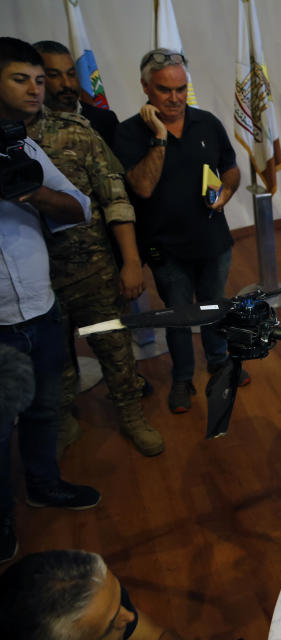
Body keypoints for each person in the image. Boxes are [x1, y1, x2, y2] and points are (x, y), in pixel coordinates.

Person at [23, 48, 161, 458]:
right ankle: (64, 416)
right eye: (52, 76)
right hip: (31, 278)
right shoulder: (9, 141)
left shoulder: (78, 132)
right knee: (52, 356)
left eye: (70, 75)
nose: (66, 84)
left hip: (91, 268)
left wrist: (132, 261)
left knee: (113, 347)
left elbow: (115, 199)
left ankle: (131, 414)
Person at [0, 37, 99, 563]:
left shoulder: (23, 146)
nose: (37, 90)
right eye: (22, 79)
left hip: (38, 306)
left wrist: (28, 189)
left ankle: (43, 483)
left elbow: (77, 207)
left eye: (40, 80)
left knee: (43, 409)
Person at [113, 48, 245, 415]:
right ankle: (183, 377)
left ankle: (219, 361)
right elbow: (141, 187)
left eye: (181, 88)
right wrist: (158, 136)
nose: (174, 98)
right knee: (178, 315)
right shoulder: (128, 133)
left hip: (213, 241)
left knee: (215, 305)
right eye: (164, 90)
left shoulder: (207, 122)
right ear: (145, 88)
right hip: (165, 247)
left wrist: (227, 190)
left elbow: (231, 168)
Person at [0, 549, 182, 639]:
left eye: (120, 601)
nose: (130, 616)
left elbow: (153, 636)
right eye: (112, 624)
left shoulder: (103, 600)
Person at [32, 40, 121, 149]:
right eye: (54, 75)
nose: (67, 84)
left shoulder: (105, 119)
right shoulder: (27, 122)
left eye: (71, 74)